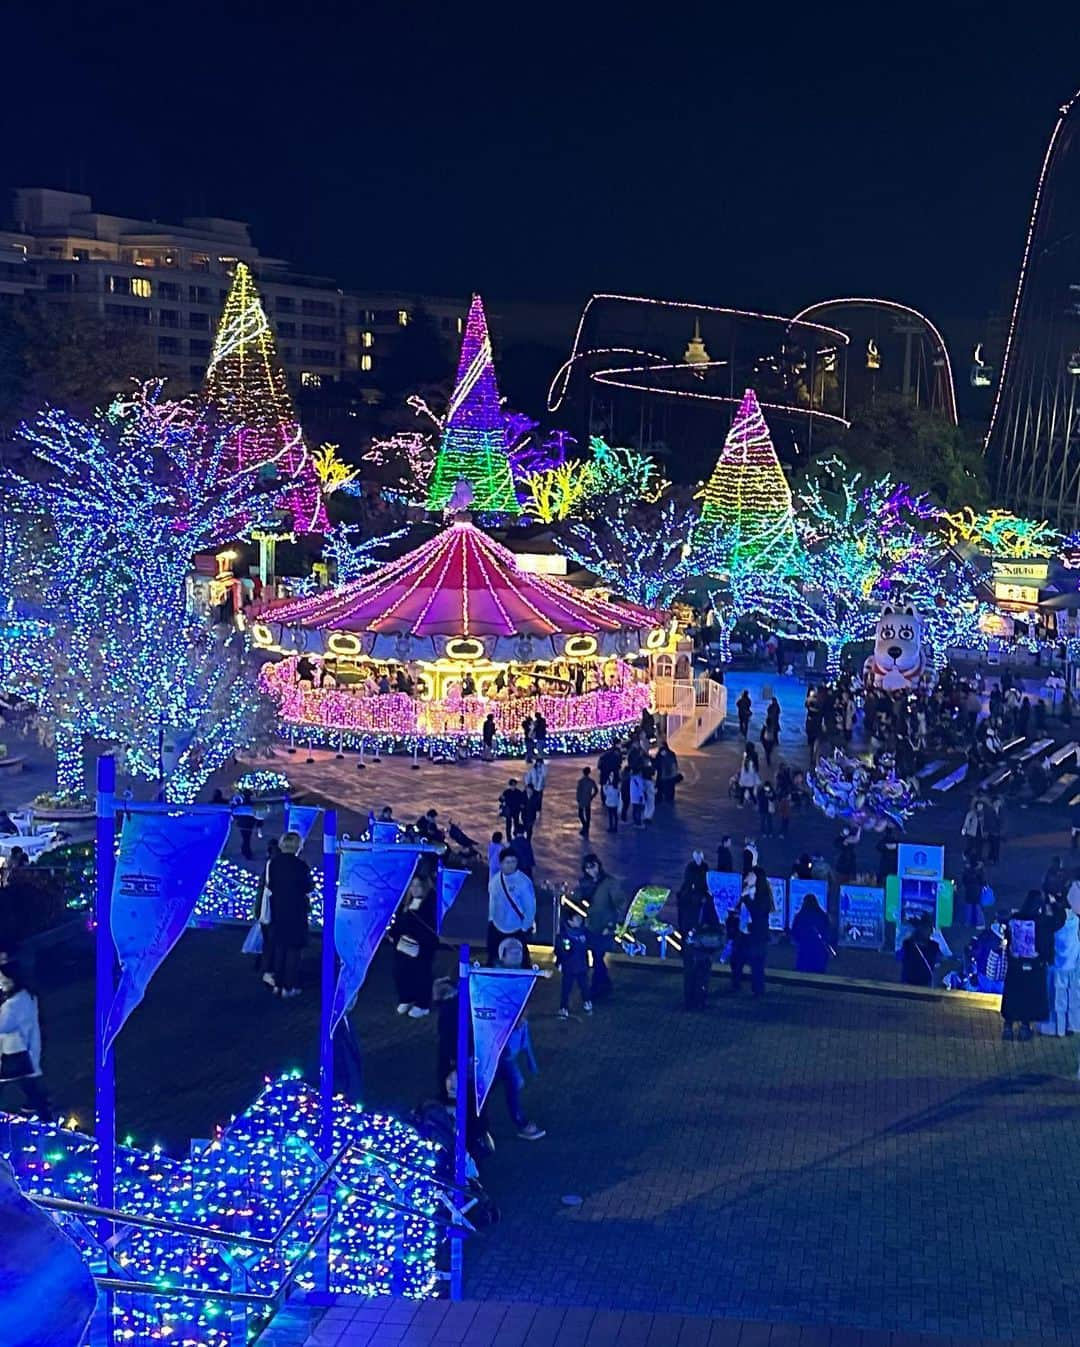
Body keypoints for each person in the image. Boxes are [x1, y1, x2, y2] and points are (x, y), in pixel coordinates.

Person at [494, 938, 545, 1140]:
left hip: (513, 1038)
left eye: (519, 951)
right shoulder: (495, 977)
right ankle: (520, 1122)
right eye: (512, 951)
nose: (517, 954)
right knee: (510, 1081)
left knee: (499, 1080)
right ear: (502, 954)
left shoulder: (520, 975)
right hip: (501, 1040)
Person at [0, 957, 50, 1119]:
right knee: (28, 1085)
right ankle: (42, 1112)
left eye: (3, 981)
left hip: (14, 1051)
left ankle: (42, 1111)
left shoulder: (13, 1004)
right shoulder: (27, 996)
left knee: (26, 1084)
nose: (1, 984)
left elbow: (3, 1024)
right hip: (22, 1049)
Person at [1002, 891, 1057, 1040]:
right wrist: (1052, 904)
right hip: (1033, 968)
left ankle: (1008, 1026)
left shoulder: (1014, 919)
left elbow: (1008, 939)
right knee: (1028, 998)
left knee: (1012, 995)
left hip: (1015, 966)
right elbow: (1055, 926)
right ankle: (1024, 1028)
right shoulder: (1041, 923)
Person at [266, 832, 313, 997]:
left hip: (278, 909)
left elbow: (271, 885)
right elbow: (308, 887)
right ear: (297, 846)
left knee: (280, 947)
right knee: (293, 949)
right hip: (296, 910)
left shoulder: (274, 863)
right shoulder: (300, 865)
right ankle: (288, 986)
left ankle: (277, 985)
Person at [392, 873, 440, 1018]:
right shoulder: (406, 904)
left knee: (421, 975)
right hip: (403, 946)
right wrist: (394, 933)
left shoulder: (429, 904)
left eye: (418, 886)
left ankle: (422, 1004)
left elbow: (428, 928)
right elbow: (399, 922)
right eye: (412, 886)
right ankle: (406, 998)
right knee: (401, 973)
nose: (414, 889)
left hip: (421, 947)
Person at [577, 854, 622, 1001]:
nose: (592, 871)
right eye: (588, 868)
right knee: (597, 957)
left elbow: (618, 904)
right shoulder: (586, 884)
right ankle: (604, 985)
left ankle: (597, 988)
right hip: (592, 925)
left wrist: (611, 925)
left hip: (604, 926)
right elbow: (579, 898)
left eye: (593, 867)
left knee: (597, 956)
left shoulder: (609, 883)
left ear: (599, 866)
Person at [486, 850, 535, 966]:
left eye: (513, 861)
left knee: (521, 959)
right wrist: (491, 919)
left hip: (516, 928)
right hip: (497, 926)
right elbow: (492, 901)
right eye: (508, 862)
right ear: (501, 863)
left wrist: (525, 926)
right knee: (493, 957)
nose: (511, 865)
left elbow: (530, 906)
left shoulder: (523, 882)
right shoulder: (495, 880)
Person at [731, 866, 773, 996]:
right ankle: (735, 984)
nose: (747, 876)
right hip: (743, 934)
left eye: (750, 874)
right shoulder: (745, 892)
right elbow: (738, 908)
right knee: (736, 961)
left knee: (757, 965)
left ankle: (758, 990)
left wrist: (747, 898)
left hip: (757, 936)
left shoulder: (763, 895)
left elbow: (757, 912)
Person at [1041, 900, 1080, 1036]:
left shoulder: (1054, 927)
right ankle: (1071, 1026)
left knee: (1056, 1000)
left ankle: (1058, 1028)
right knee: (1071, 998)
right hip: (1073, 966)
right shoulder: (1075, 920)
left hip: (1056, 969)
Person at [555, 906, 591, 1018]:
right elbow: (560, 951)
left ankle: (587, 1002)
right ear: (570, 921)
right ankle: (563, 1007)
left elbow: (587, 947)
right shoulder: (564, 935)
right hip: (569, 967)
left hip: (582, 966)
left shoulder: (584, 932)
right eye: (577, 918)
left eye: (580, 918)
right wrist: (559, 962)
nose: (580, 920)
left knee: (584, 986)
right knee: (566, 988)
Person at [790, 890, 834, 973]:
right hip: (819, 950)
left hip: (804, 949)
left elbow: (794, 933)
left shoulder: (800, 916)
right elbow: (827, 932)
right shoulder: (822, 916)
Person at [900, 914, 941, 987]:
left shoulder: (934, 946)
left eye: (930, 928)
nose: (929, 931)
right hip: (908, 983)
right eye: (926, 928)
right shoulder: (907, 944)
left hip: (926, 984)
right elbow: (900, 960)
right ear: (920, 928)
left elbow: (937, 966)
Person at [232, 790, 258, 861]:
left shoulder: (240, 805)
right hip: (249, 824)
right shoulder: (252, 805)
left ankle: (245, 850)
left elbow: (235, 815)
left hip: (242, 824)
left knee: (245, 838)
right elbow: (256, 815)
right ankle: (247, 852)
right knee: (247, 838)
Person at [575, 767, 598, 837]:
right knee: (588, 815)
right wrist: (592, 797)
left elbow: (578, 791)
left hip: (582, 799)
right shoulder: (591, 781)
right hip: (588, 799)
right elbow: (596, 790)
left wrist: (578, 799)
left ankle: (585, 826)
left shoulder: (581, 781)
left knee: (580, 814)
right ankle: (586, 827)